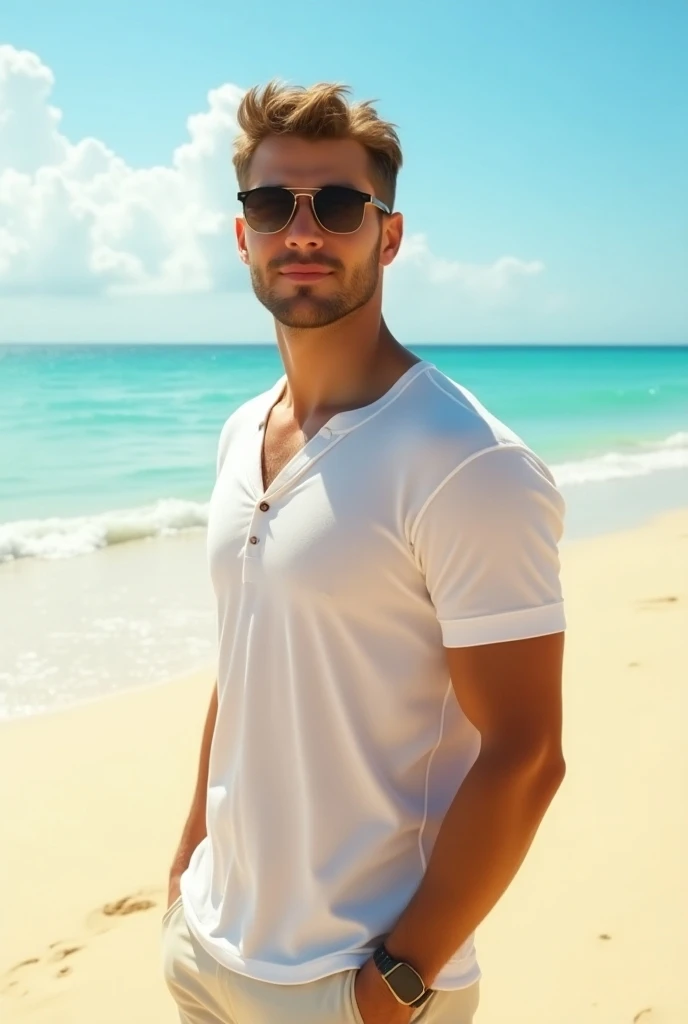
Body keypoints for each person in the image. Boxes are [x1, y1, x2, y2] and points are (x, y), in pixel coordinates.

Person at [161, 80, 567, 1024]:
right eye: (272, 205)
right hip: (208, 942)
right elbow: (243, 658)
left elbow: (527, 753)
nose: (302, 229)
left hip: (351, 981)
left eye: (337, 205)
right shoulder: (238, 433)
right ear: (242, 236)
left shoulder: (468, 462)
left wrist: (398, 985)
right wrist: (189, 858)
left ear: (387, 236)